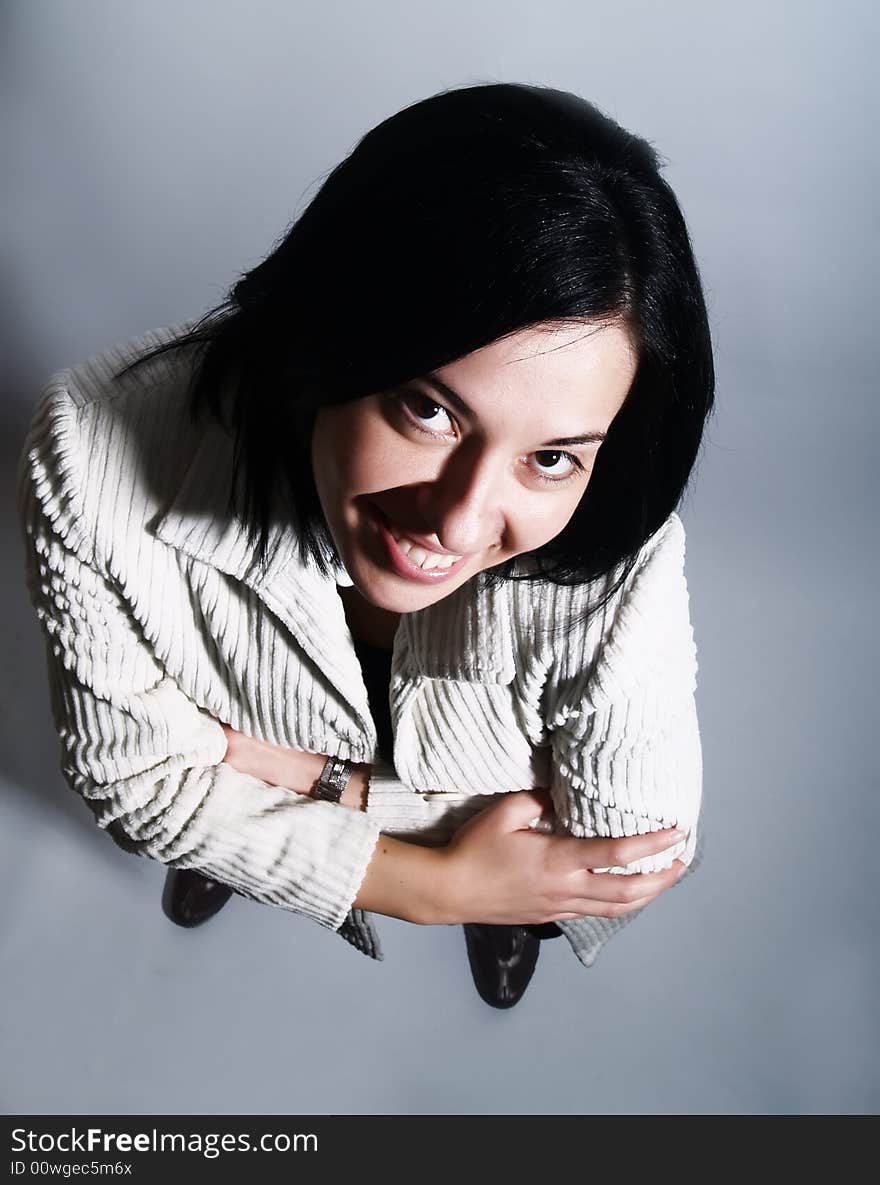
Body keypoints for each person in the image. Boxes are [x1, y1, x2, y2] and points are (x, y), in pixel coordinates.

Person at [17, 82, 713, 1009]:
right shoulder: (87, 445)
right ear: (333, 331)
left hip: (256, 761)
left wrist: (288, 779)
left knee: (227, 816)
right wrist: (452, 883)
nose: (459, 523)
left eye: (551, 457)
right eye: (429, 410)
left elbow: (630, 849)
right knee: (193, 824)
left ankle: (288, 849)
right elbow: (130, 780)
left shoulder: (617, 534)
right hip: (437, 819)